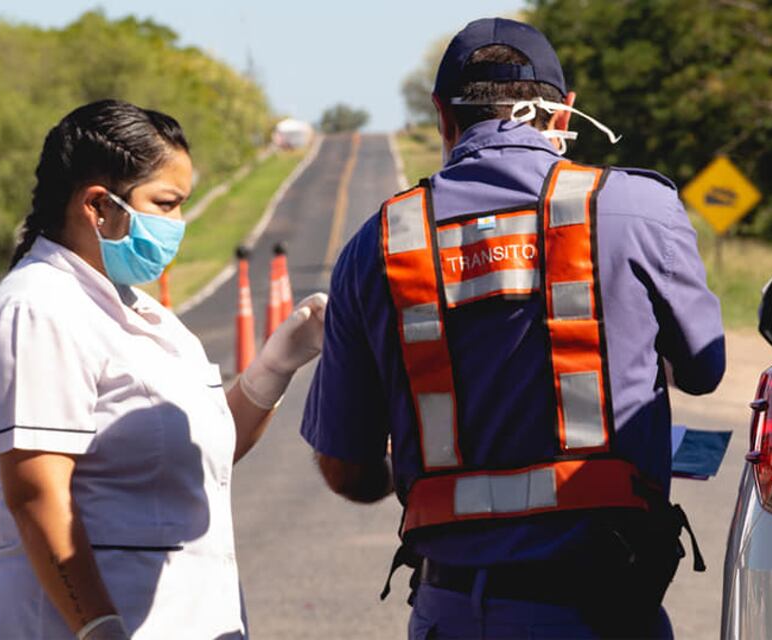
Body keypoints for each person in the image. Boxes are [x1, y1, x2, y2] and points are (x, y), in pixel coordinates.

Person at [301, 17, 725, 639]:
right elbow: (704, 369)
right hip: (605, 611)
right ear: (564, 115)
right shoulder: (636, 208)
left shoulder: (379, 246)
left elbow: (345, 468)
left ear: (443, 117)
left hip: (453, 612)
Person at [0, 99, 326, 639]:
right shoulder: (37, 310)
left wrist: (276, 363)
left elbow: (201, 452)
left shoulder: (143, 313)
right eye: (167, 203)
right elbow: (37, 494)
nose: (178, 224)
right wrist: (98, 627)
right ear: (98, 206)